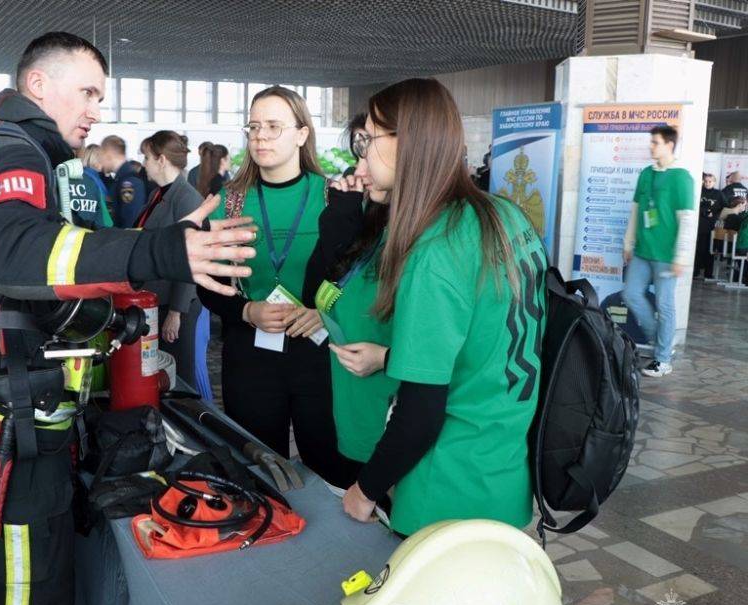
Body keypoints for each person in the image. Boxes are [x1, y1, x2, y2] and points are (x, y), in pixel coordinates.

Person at [0, 32, 256, 605]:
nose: (95, 111)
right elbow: (21, 257)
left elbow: (31, 285)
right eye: (86, 92)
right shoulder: (4, 153)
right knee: (18, 592)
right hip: (5, 415)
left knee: (44, 573)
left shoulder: (14, 154)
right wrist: (159, 252)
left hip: (21, 404)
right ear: (36, 86)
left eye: (99, 97)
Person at [336, 78, 547, 537]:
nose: (361, 155)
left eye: (367, 139)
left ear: (408, 142)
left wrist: (366, 489)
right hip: (503, 471)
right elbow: (479, 347)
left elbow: (421, 411)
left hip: (446, 492)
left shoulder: (437, 250)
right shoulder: (503, 215)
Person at [198, 86, 346, 486]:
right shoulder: (228, 200)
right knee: (259, 471)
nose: (260, 136)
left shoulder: (335, 197)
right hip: (251, 353)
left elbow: (362, 280)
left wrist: (325, 313)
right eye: (254, 126)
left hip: (320, 351)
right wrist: (247, 311)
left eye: (274, 126)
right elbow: (205, 283)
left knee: (330, 466)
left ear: (302, 134)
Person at [302, 113, 394, 494]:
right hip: (352, 398)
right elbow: (317, 292)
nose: (359, 167)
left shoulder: (423, 232)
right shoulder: (363, 214)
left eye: (367, 149)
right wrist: (342, 212)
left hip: (395, 409)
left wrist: (387, 357)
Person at [622, 125, 695, 378]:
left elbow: (686, 219)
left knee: (665, 306)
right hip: (642, 250)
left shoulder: (682, 177)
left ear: (669, 145)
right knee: (631, 294)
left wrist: (681, 256)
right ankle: (660, 340)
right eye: (651, 142)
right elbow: (635, 210)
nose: (651, 146)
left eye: (655, 142)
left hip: (667, 255)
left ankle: (663, 359)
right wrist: (628, 243)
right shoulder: (645, 174)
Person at [135, 131, 204, 388]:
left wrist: (176, 312)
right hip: (157, 300)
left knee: (178, 375)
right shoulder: (160, 195)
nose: (144, 164)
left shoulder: (186, 198)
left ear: (161, 160)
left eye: (147, 157)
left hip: (175, 305)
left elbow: (190, 258)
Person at [100, 134, 147, 227]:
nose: (101, 161)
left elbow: (131, 220)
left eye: (101, 156)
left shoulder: (129, 182)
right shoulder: (120, 179)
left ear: (108, 156)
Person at [64, 144, 112, 229]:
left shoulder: (66, 177)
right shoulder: (96, 182)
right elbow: (105, 219)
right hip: (89, 232)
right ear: (98, 160)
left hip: (67, 230)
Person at [696, 172, 723, 279]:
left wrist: (715, 215)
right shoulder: (699, 191)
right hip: (698, 225)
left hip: (711, 226)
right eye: (705, 181)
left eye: (709, 181)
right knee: (698, 249)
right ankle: (695, 271)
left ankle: (708, 273)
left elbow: (724, 208)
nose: (707, 183)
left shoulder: (719, 194)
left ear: (714, 182)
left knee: (710, 250)